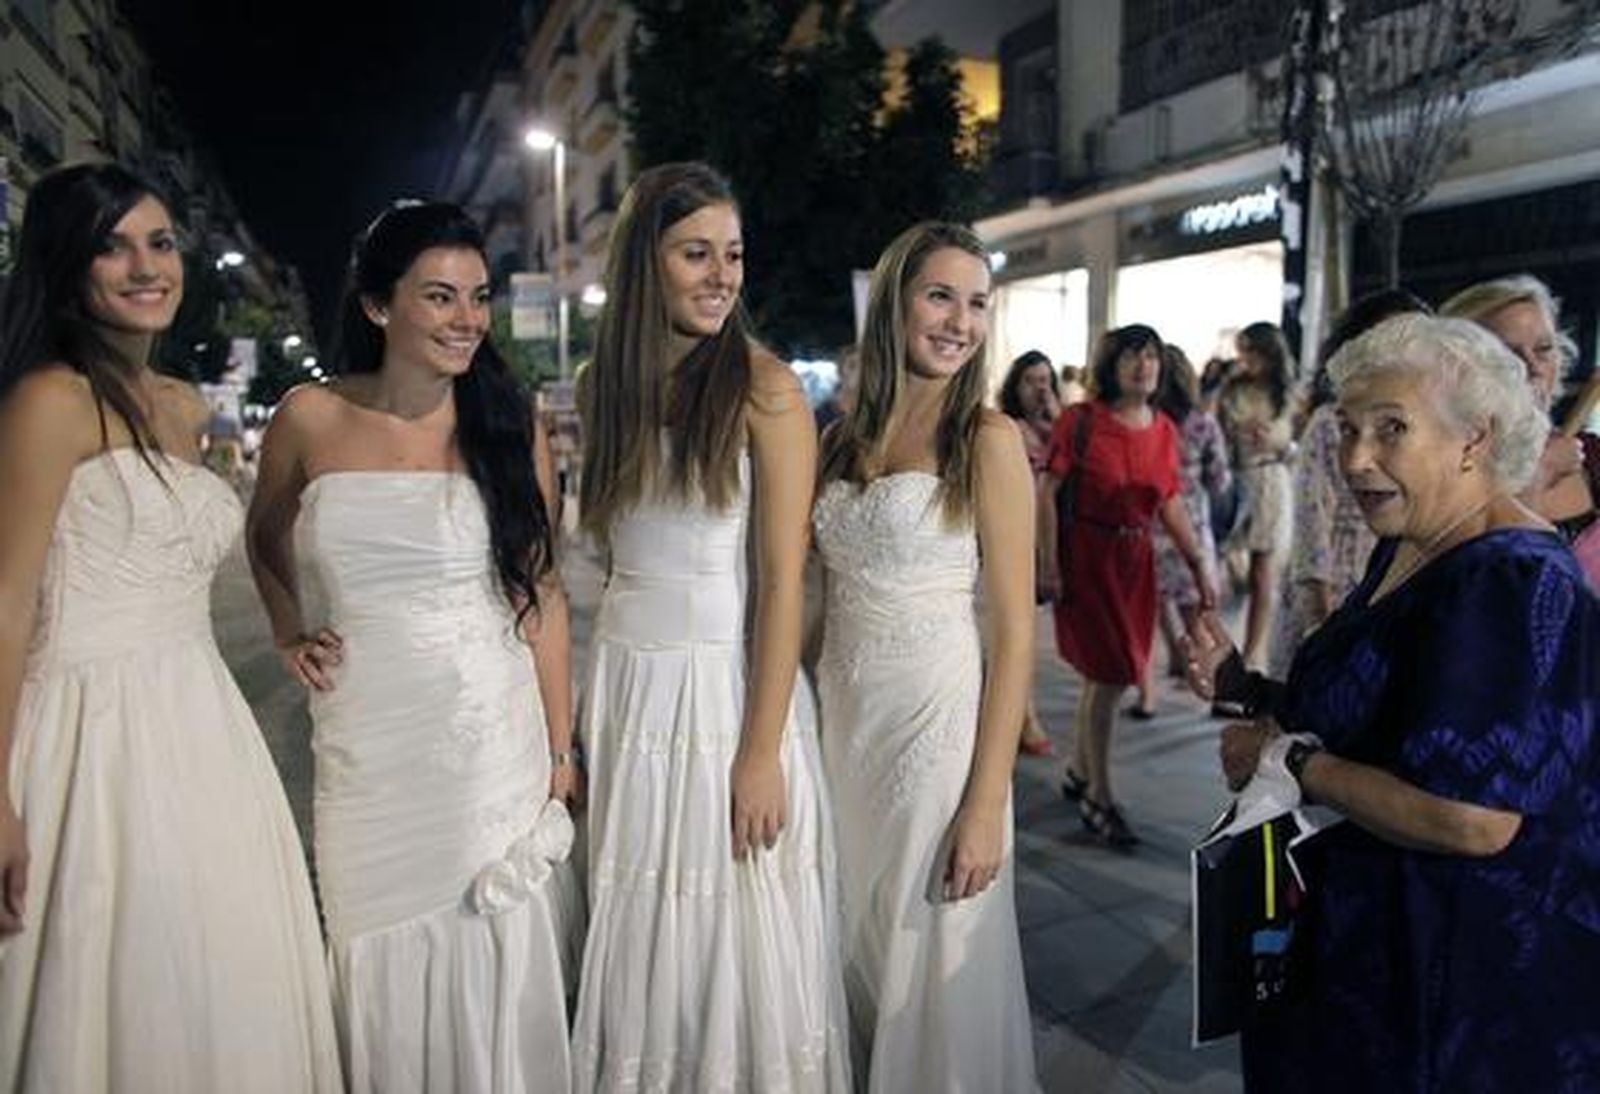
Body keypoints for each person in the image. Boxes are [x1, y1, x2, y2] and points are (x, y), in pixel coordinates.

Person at [1185, 313, 1600, 1092]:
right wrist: (1249, 688)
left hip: (1444, 986)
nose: (1356, 458)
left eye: (1391, 429)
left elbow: (1471, 819)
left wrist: (1290, 761)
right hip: (1360, 954)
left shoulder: (1510, 581)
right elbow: (1384, 716)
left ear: (1474, 440)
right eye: (1347, 429)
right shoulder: (1411, 540)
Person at [0, 163, 342, 1091]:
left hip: (204, 725)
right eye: (113, 245)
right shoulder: (49, 401)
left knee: (220, 965)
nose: (145, 265)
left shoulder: (188, 407)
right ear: (68, 264)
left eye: (159, 241)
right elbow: (9, 597)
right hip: (86, 729)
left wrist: (287, 633)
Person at [246, 201, 579, 1091]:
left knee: (488, 945)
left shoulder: (510, 424)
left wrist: (559, 746)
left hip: (487, 740)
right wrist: (285, 627)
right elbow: (263, 539)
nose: (468, 319)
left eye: (478, 297)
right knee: (370, 932)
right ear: (378, 306)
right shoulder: (307, 418)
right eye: (440, 297)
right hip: (366, 746)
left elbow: (541, 590)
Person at [569, 162, 850, 1092]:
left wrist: (760, 749)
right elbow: (602, 563)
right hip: (623, 686)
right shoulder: (598, 385)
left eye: (731, 254)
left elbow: (783, 582)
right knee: (638, 922)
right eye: (696, 253)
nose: (721, 274)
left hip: (722, 694)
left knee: (721, 927)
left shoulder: (766, 389)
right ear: (646, 261)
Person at [815, 222, 1040, 1091]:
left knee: (929, 946)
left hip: (935, 735)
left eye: (978, 302)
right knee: (853, 939)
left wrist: (987, 804)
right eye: (940, 296)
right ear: (895, 304)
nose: (960, 321)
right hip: (843, 725)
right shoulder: (839, 439)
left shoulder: (986, 440)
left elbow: (1016, 631)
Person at [1038, 324, 1215, 847]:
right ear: (1112, 366)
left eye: (1153, 357)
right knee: (1112, 673)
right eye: (1134, 357)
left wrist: (1199, 563)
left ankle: (1077, 769)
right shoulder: (1081, 420)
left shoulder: (1163, 428)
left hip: (1136, 562)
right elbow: (1048, 492)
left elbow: (1171, 500)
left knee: (1110, 672)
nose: (1145, 366)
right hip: (1088, 557)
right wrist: (1049, 564)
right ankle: (1101, 794)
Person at [1266, 290, 1427, 675]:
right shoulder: (1330, 422)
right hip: (1332, 589)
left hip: (1389, 586)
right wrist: (1319, 620)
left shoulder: (1426, 425)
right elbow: (1310, 521)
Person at [1441, 274, 1599, 588]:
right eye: (1507, 355)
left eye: (1544, 349)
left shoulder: (1594, 459)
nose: (1532, 367)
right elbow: (1481, 589)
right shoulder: (1443, 470)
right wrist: (1539, 475)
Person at [1144, 344, 1230, 712]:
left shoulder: (1145, 422)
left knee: (1157, 603)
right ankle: (1222, 689)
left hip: (1150, 525)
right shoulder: (1202, 423)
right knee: (1199, 615)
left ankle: (1168, 673)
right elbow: (1220, 478)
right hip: (1190, 526)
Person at [1218, 322, 1296, 668]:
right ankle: (1224, 649)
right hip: (1236, 479)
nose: (1245, 357)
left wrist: (1281, 443)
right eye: (1242, 349)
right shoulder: (1231, 388)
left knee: (1263, 573)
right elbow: (1218, 436)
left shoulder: (1287, 393)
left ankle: (1254, 654)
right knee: (1229, 567)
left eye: (1251, 350)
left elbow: (1300, 447)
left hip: (1271, 479)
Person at [998, 349, 1061, 755]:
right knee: (1018, 633)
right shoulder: (1009, 429)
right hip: (1016, 539)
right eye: (1030, 381)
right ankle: (1023, 716)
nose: (1039, 388)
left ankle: (1021, 713)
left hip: (1050, 538)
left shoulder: (1058, 427)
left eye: (1045, 379)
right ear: (1014, 386)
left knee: (1028, 633)